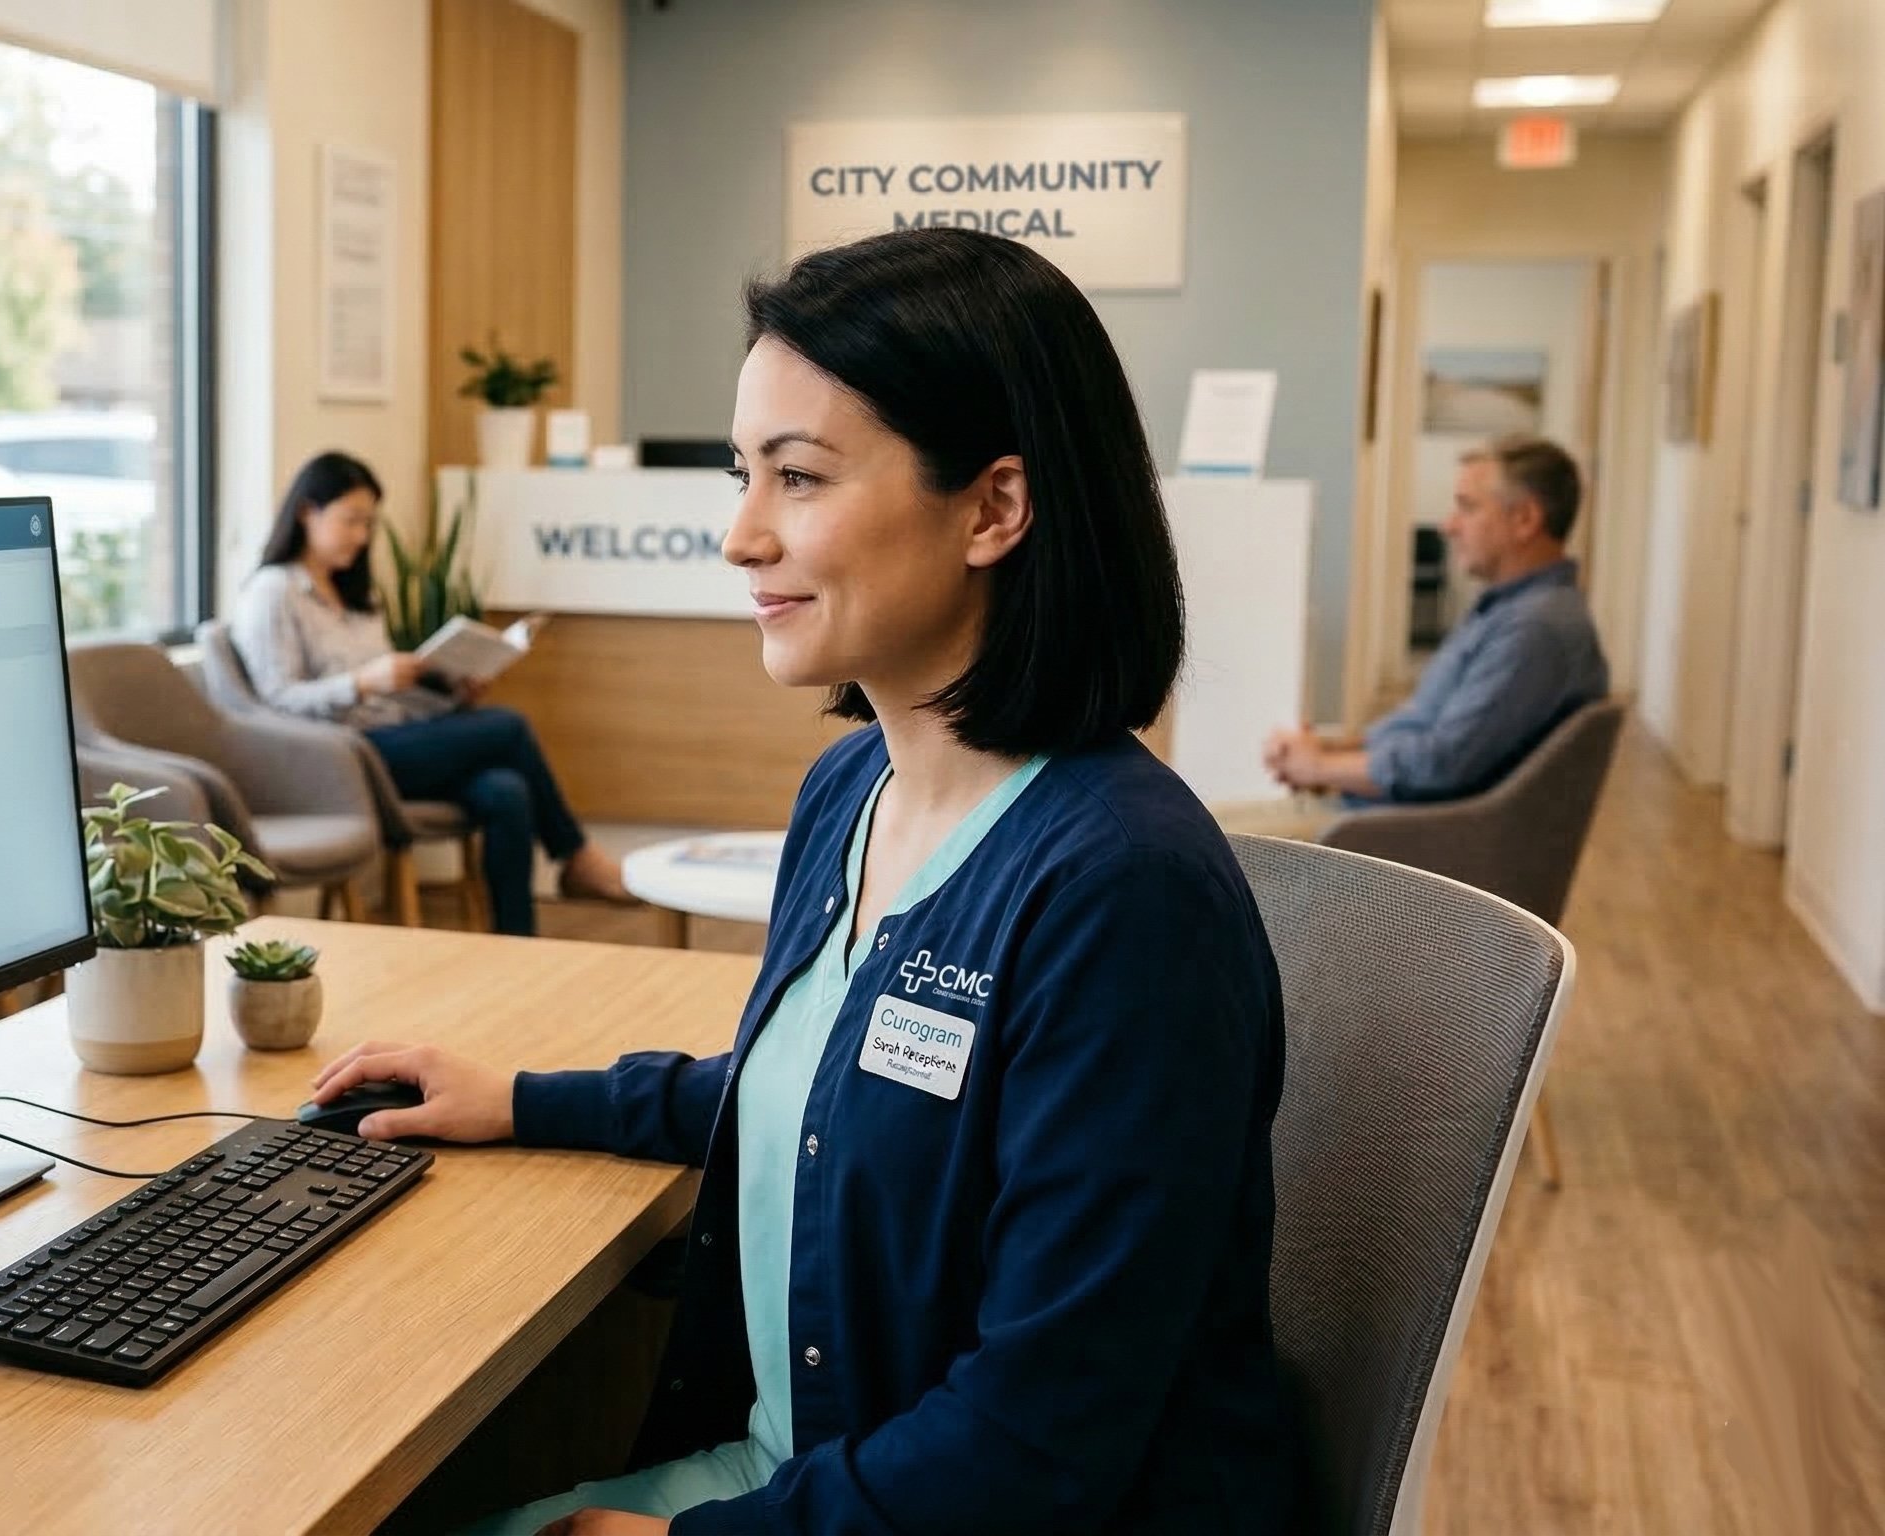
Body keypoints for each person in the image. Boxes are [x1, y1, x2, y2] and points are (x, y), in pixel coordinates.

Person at [307, 227, 1297, 1535]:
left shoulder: (1122, 892)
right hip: (808, 1479)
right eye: (743, 476)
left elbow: (1040, 1443)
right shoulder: (849, 793)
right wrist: (522, 1099)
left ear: (994, 508)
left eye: (798, 477)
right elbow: (833, 1087)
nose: (741, 536)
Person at [227, 451, 633, 936]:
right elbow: (275, 700)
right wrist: (361, 682)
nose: (361, 536)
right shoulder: (273, 592)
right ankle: (575, 856)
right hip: (343, 757)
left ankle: (517, 941)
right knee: (508, 726)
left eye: (368, 523)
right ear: (305, 512)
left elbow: (388, 697)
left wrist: (451, 693)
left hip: (396, 740)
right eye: (350, 520)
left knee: (506, 790)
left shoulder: (356, 593)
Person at [1262, 435, 1609, 807]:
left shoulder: (1535, 630)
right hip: (1386, 817)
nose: (1448, 526)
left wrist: (1321, 768)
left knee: (1228, 826)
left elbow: (1441, 763)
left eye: (1467, 507)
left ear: (1524, 519)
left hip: (1404, 831)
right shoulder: (1510, 611)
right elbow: (1424, 727)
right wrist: (1329, 753)